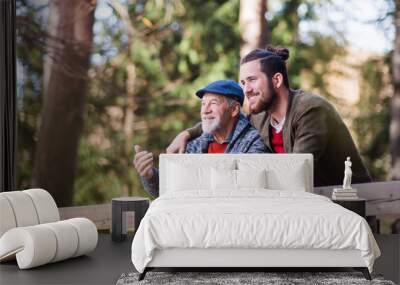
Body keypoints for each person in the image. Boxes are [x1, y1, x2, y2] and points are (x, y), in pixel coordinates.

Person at [167, 47, 371, 187]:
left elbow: (296, 171)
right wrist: (187, 133)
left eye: (252, 80)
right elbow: (228, 120)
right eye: (243, 82)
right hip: (306, 205)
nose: (246, 89)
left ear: (277, 80)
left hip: (349, 204)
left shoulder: (311, 110)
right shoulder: (261, 117)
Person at [133, 79, 269, 197]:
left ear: (234, 110)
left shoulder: (254, 142)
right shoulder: (194, 145)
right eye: (203, 104)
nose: (205, 110)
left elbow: (251, 191)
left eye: (213, 103)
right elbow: (169, 190)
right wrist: (149, 175)